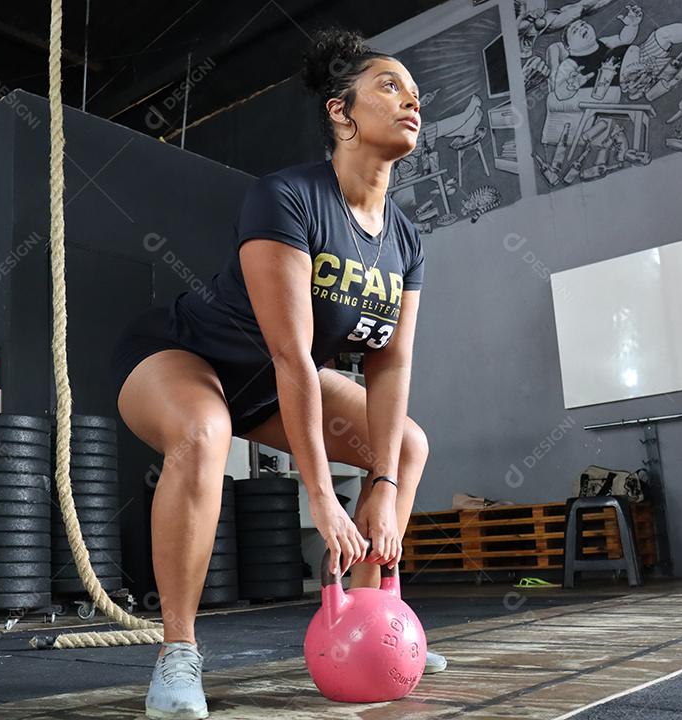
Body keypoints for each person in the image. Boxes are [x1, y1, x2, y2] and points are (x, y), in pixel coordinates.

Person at [109, 27, 445, 720]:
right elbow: (293, 353)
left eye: (416, 93)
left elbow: (391, 364)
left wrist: (380, 485)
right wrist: (322, 497)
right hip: (183, 353)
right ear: (340, 111)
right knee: (206, 432)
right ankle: (177, 653)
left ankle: (373, 618)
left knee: (406, 446)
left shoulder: (405, 240)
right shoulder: (286, 196)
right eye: (389, 85)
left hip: (264, 385)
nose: (411, 100)